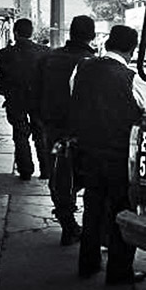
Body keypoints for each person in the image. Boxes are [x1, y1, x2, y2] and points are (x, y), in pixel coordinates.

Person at [70, 24, 146, 285]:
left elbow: (75, 100)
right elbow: (143, 113)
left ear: (107, 43)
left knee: (92, 207)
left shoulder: (82, 67)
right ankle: (119, 271)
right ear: (132, 49)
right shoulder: (131, 78)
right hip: (119, 157)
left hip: (87, 152)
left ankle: (88, 263)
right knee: (121, 212)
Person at [34, 15, 97, 246]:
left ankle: (67, 221)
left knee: (60, 174)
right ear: (91, 36)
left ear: (70, 32)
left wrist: (41, 120)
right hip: (83, 131)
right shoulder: (91, 62)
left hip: (53, 128)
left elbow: (35, 90)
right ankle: (81, 228)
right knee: (87, 176)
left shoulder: (49, 58)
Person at [0, 18, 49, 181]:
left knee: (20, 134)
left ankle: (25, 170)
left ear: (15, 33)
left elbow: (2, 78)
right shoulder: (45, 52)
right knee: (41, 134)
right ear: (31, 33)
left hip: (15, 100)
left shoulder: (4, 54)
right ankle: (46, 170)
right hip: (38, 100)